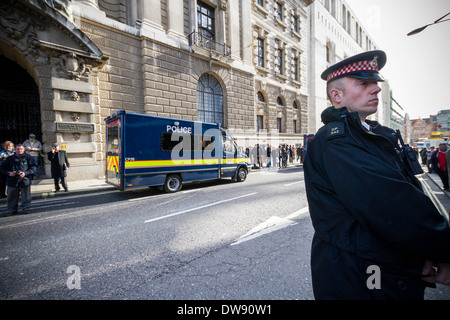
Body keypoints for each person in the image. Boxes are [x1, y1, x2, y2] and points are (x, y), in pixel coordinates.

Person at [303, 50, 450, 300]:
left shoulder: (371, 134)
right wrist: (444, 250)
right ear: (336, 95)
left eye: (375, 83)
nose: (376, 89)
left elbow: (410, 190)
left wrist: (423, 253)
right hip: (361, 274)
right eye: (363, 83)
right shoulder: (337, 141)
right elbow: (392, 205)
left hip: (385, 266)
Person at [0, 144, 37, 216]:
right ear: (15, 150)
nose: (19, 150)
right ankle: (12, 209)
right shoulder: (9, 158)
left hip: (24, 179)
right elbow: (2, 168)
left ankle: (25, 208)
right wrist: (9, 173)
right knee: (11, 196)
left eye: (21, 149)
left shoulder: (28, 157)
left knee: (26, 196)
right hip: (12, 180)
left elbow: (34, 167)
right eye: (18, 149)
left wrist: (25, 173)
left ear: (24, 150)